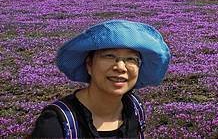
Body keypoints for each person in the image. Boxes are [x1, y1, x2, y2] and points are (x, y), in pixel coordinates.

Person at [30, 19, 171, 138]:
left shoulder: (134, 108)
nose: (121, 67)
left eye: (131, 59)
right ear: (89, 64)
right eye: (109, 56)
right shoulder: (57, 124)